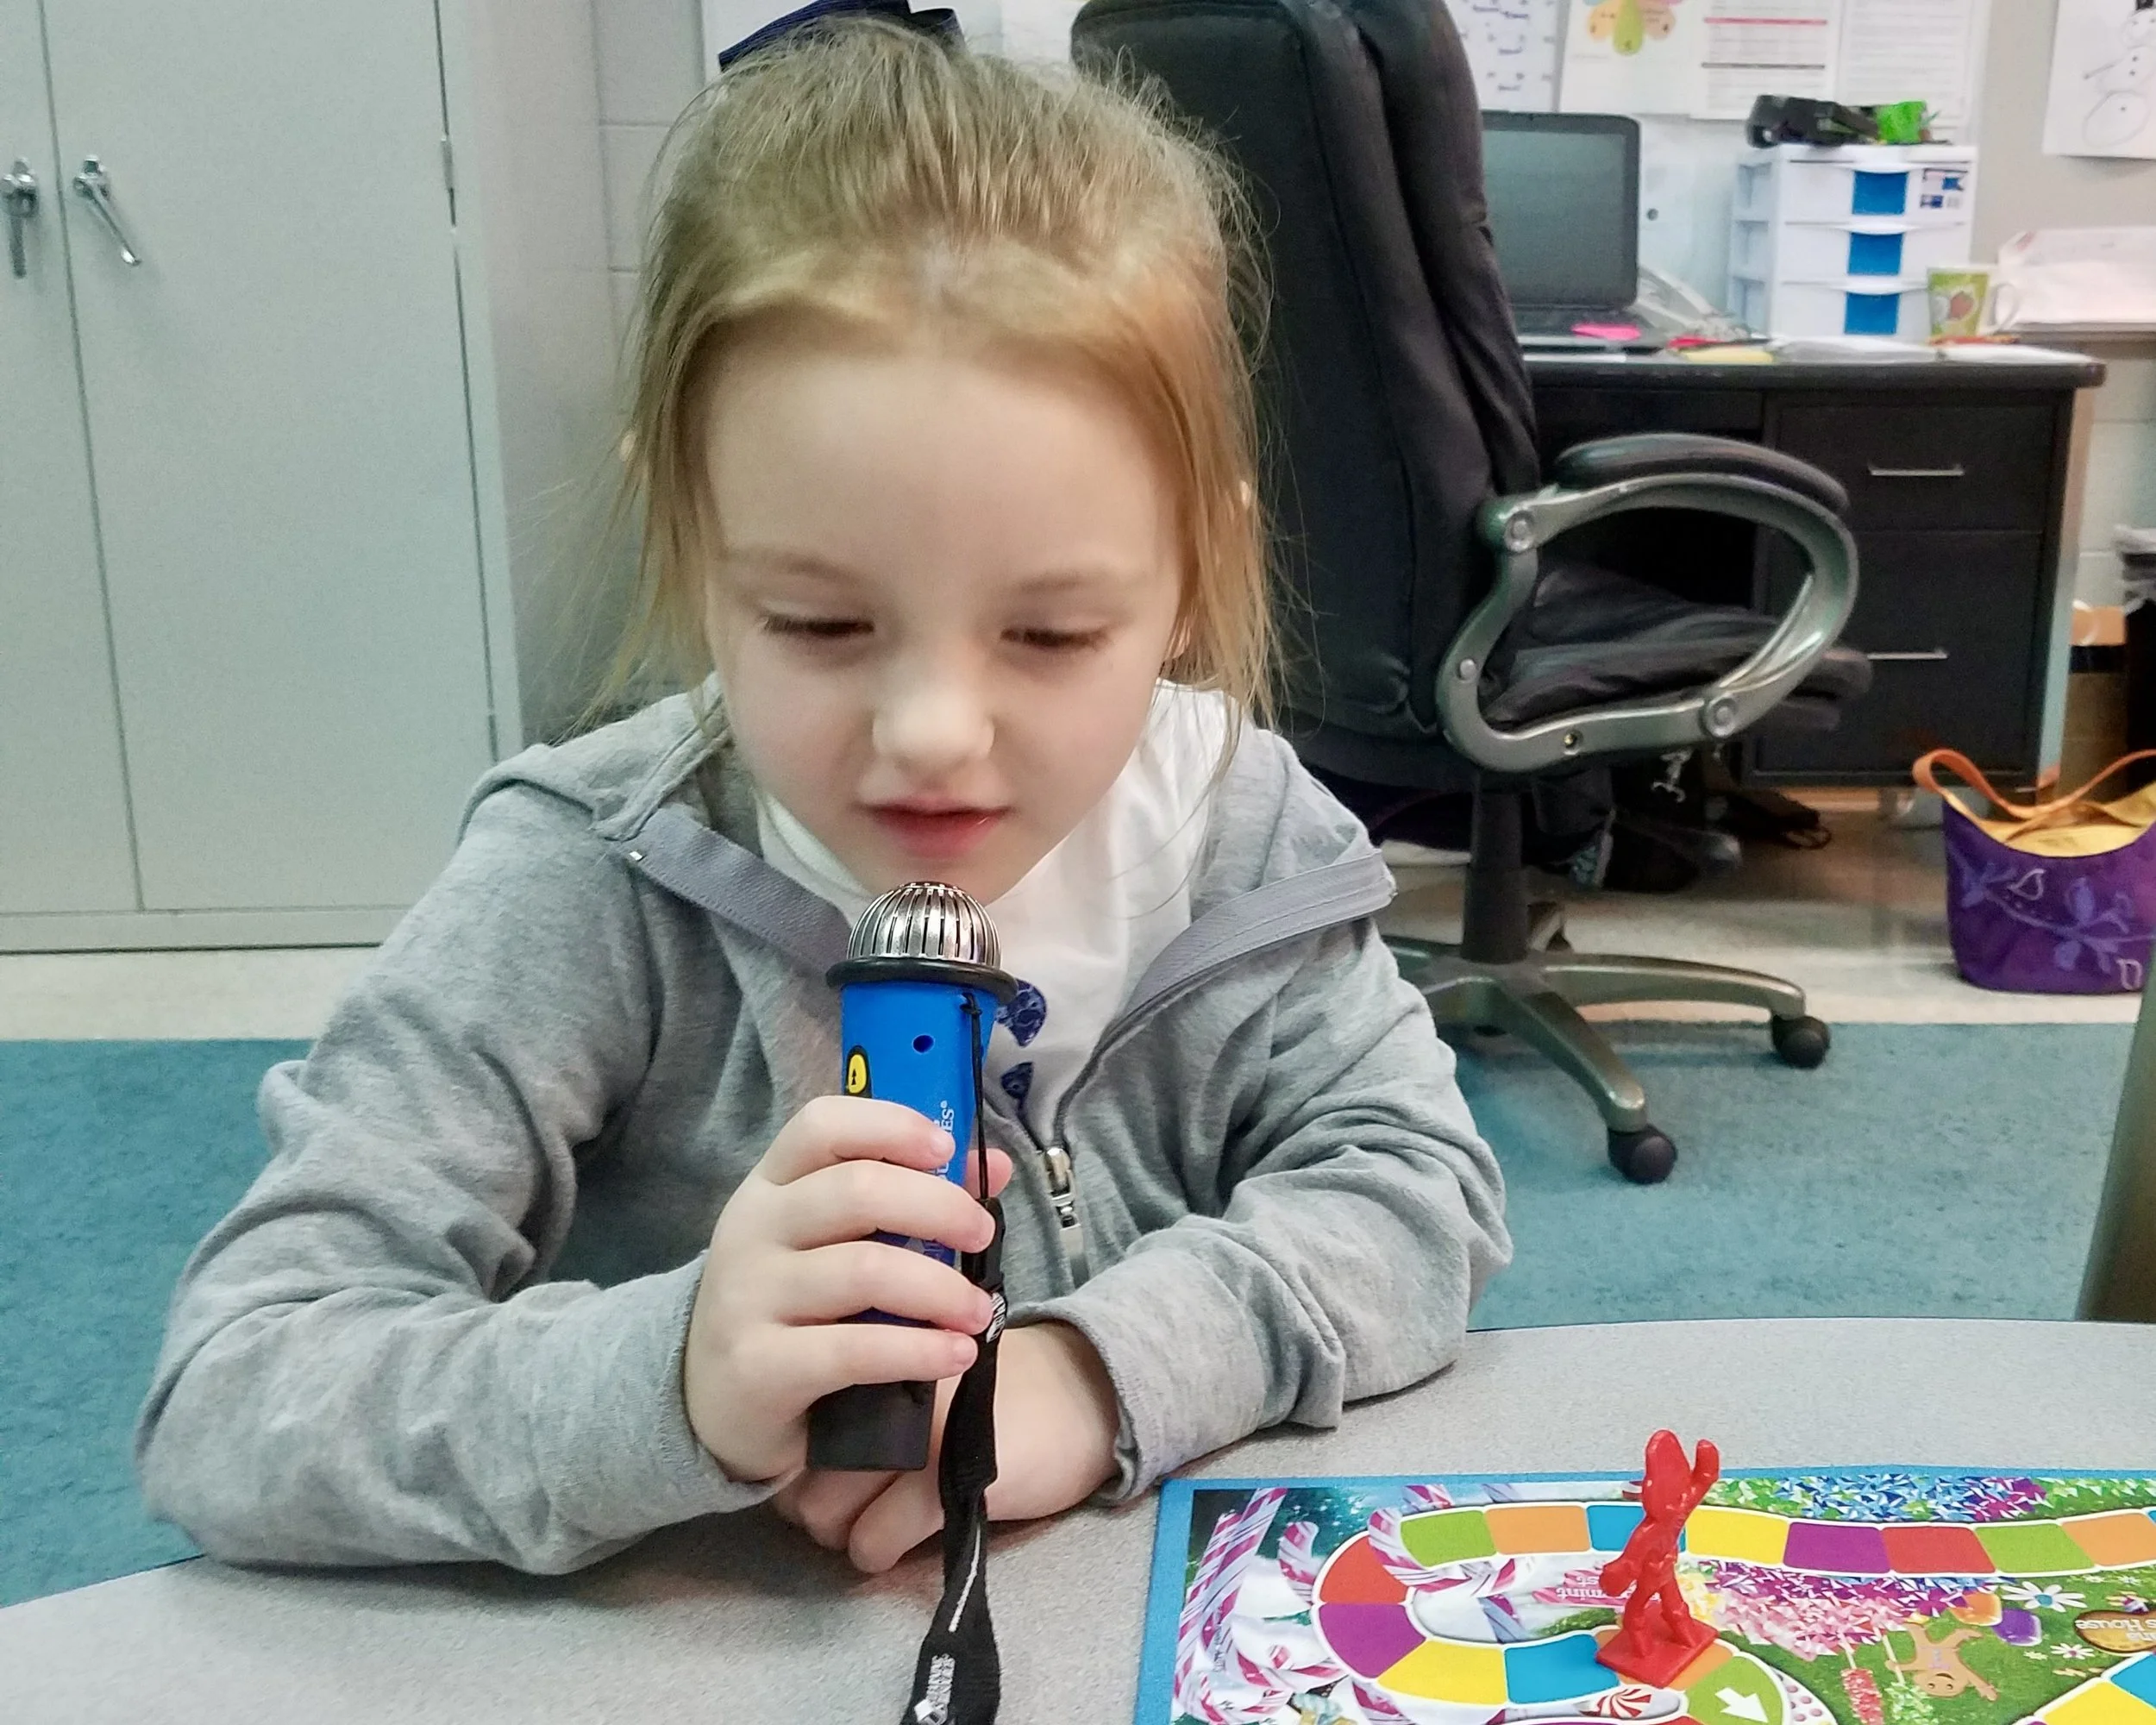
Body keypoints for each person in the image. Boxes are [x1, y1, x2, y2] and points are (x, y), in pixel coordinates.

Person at [134, 22, 1509, 1581]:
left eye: (1051, 635)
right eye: (820, 625)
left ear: (1191, 574)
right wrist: (672, 1377)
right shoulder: (588, 878)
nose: (930, 735)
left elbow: (1419, 1200)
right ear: (692, 531)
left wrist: (1094, 1371)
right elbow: (234, 1391)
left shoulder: (1248, 837)